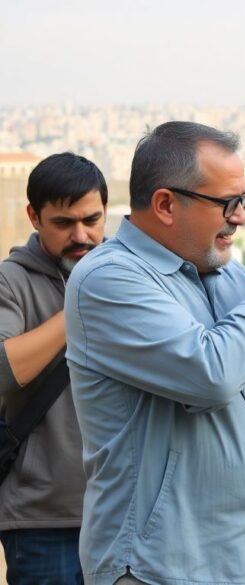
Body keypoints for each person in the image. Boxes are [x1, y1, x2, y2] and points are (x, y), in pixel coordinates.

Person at [64, 121, 245, 585]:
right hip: (166, 564)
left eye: (242, 200)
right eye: (227, 203)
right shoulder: (108, 279)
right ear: (165, 203)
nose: (240, 217)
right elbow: (210, 375)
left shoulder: (228, 276)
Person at [0, 152, 107, 584]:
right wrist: (77, 308)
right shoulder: (12, 280)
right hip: (44, 522)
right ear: (34, 216)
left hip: (123, 513)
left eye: (92, 220)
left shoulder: (125, 276)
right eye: (64, 223)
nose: (81, 235)